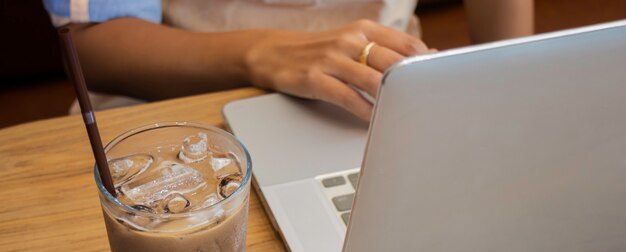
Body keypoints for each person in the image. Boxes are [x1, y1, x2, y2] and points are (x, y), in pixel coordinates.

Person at [43, 0, 532, 120]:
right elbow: (92, 46)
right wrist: (260, 55)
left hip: (387, 94)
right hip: (176, 101)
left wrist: (511, 88)